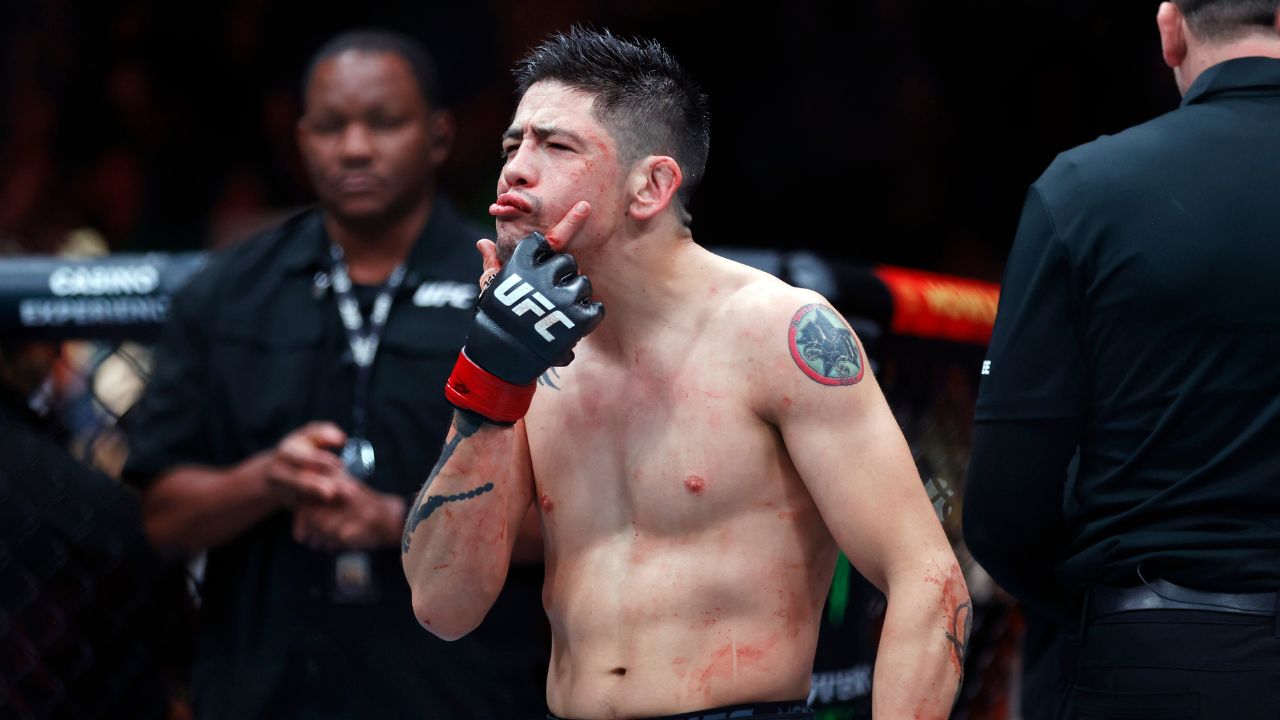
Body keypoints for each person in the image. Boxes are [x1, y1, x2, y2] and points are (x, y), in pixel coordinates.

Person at [401, 28, 969, 720]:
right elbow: (442, 605)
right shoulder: (533, 357)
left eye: (555, 145)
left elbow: (929, 578)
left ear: (652, 185)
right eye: (510, 146)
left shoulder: (779, 331)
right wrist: (491, 381)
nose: (515, 169)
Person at [124, 29, 548, 719]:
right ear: (300, 138)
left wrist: (401, 520)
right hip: (264, 690)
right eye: (330, 126)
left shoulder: (507, 292)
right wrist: (267, 480)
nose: (354, 147)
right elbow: (159, 518)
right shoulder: (228, 290)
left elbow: (574, 518)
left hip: (459, 692)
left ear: (439, 136)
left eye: (384, 123)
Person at [963, 2, 1280, 717]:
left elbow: (1001, 512)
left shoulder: (1083, 190)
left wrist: (1098, 605)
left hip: (1153, 657)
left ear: (1170, 30)